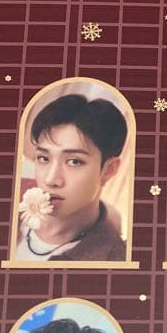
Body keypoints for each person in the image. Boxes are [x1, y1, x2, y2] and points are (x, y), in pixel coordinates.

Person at [16, 94, 128, 261]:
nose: (50, 180)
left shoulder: (112, 258)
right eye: (43, 158)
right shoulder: (13, 193)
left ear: (108, 170)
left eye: (74, 161)